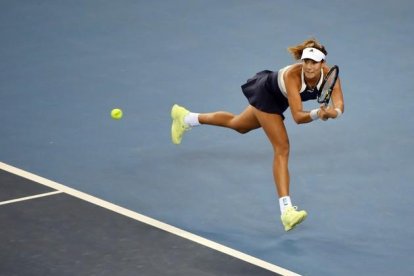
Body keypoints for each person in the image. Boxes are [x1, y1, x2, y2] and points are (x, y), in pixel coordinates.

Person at [170, 38, 344, 231]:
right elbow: (297, 117)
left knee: (238, 125)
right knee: (282, 147)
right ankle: (286, 211)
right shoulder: (294, 76)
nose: (309, 67)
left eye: (314, 63)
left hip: (280, 98)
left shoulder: (330, 76)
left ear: (322, 63)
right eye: (306, 62)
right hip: (266, 92)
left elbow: (339, 107)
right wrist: (318, 114)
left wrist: (331, 113)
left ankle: (185, 118)